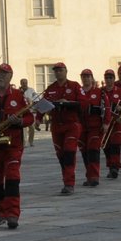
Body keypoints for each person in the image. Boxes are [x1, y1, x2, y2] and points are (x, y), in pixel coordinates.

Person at [0, 64, 35, 229]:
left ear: (11, 76)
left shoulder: (19, 96)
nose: (0, 76)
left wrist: (20, 121)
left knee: (12, 178)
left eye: (4, 74)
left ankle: (12, 214)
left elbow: (30, 118)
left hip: (13, 145)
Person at [41, 62, 83, 195]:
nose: (58, 72)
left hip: (71, 124)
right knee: (61, 155)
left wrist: (68, 103)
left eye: (60, 70)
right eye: (56, 71)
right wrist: (37, 118)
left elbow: (82, 102)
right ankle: (66, 180)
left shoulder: (74, 86)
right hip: (56, 126)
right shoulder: (50, 88)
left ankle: (69, 183)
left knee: (69, 152)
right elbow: (44, 104)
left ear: (66, 71)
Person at [77, 69, 106, 187]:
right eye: (83, 76)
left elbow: (107, 108)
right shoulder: (78, 92)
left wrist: (106, 123)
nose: (86, 78)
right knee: (84, 152)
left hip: (95, 126)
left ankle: (94, 177)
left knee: (93, 151)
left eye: (88, 76)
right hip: (81, 126)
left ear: (92, 78)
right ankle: (89, 176)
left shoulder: (99, 92)